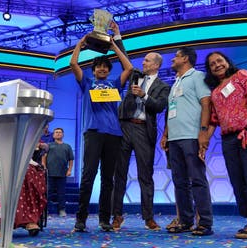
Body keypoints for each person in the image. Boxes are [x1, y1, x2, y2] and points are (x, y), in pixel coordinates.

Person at [201, 51, 247, 239]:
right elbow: (214, 120)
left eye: (219, 61)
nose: (217, 65)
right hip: (228, 140)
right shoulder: (215, 92)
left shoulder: (242, 75)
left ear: (227, 61)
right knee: (237, 181)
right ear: (210, 70)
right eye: (212, 64)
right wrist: (205, 140)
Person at [70, 24, 133, 232]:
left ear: (108, 69)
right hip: (93, 133)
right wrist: (80, 44)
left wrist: (114, 46)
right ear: (94, 70)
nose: (102, 69)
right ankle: (81, 219)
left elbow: (129, 68)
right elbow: (73, 63)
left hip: (114, 135)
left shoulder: (115, 83)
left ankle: (104, 220)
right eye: (99, 67)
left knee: (108, 180)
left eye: (105, 67)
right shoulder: (87, 82)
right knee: (88, 176)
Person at [112, 52, 169, 231]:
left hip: (144, 129)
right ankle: (117, 215)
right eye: (143, 60)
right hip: (124, 126)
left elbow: (159, 106)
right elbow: (125, 59)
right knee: (118, 174)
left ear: (156, 65)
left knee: (145, 175)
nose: (143, 62)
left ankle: (148, 217)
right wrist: (117, 37)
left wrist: (144, 95)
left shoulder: (163, 86)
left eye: (147, 60)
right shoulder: (135, 75)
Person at [160, 47, 214, 235]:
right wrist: (165, 134)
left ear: (185, 58)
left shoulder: (198, 76)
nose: (173, 59)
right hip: (174, 140)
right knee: (179, 182)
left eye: (176, 56)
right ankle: (185, 220)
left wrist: (203, 132)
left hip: (191, 136)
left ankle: (205, 223)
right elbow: (171, 110)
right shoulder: (175, 83)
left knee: (197, 180)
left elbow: (206, 103)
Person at [42, 127, 74, 217]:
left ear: (63, 135)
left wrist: (69, 170)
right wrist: (44, 166)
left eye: (60, 132)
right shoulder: (48, 145)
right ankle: (45, 211)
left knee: (61, 193)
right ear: (53, 135)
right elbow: (43, 157)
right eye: (56, 132)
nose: (58, 134)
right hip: (50, 173)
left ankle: (62, 210)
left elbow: (71, 160)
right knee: (48, 193)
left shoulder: (67, 146)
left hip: (62, 173)